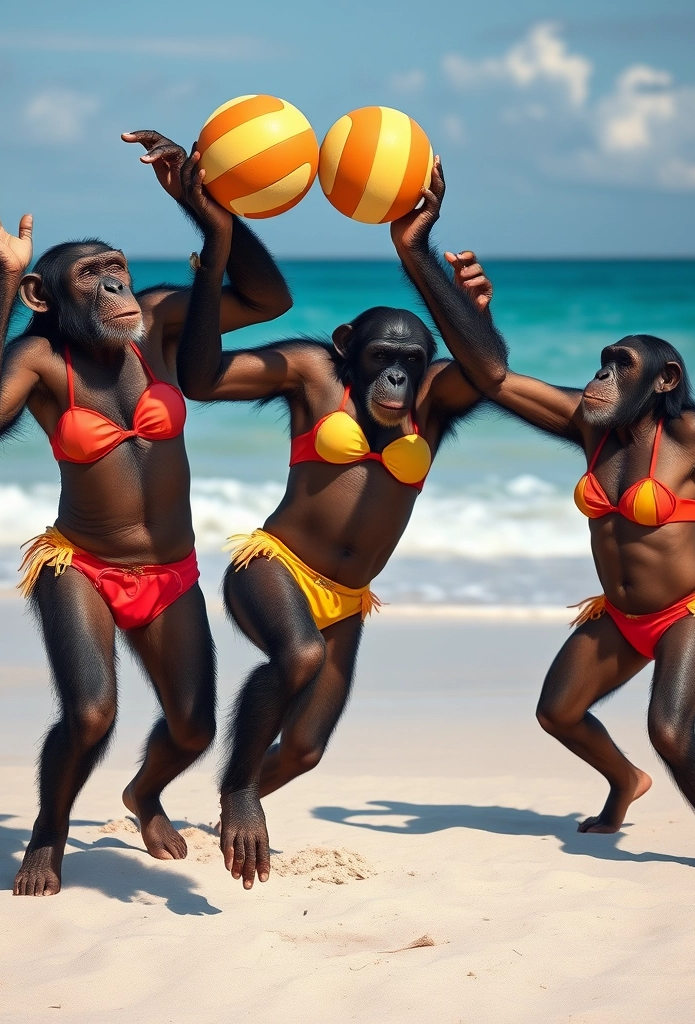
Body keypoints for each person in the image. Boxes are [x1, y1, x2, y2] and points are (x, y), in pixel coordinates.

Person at [0, 132, 292, 897]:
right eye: (91, 280)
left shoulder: (160, 323)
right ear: (47, 297)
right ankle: (48, 833)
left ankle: (143, 797)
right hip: (83, 566)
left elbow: (269, 300)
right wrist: (2, 278)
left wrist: (210, 211)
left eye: (118, 272)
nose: (116, 289)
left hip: (171, 571)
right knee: (92, 712)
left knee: (195, 729)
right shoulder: (39, 360)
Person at [399, 242, 695, 876]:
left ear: (664, 380)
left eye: (621, 367)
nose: (601, 377)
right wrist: (420, 257)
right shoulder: (590, 426)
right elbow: (494, 377)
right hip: (618, 615)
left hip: (684, 614)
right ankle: (625, 782)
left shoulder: (690, 436)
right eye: (601, 365)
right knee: (557, 713)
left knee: (671, 732)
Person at [177, 155, 502, 888]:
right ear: (349, 345)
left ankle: (208, 802)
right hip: (274, 567)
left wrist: (417, 252)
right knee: (297, 660)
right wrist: (214, 250)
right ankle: (236, 793)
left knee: (304, 751)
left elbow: (491, 372)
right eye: (385, 360)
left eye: (413, 364)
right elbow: (200, 379)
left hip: (348, 600)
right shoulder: (312, 372)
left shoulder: (433, 398)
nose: (398, 377)